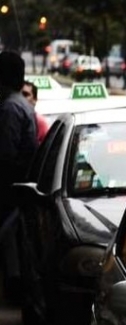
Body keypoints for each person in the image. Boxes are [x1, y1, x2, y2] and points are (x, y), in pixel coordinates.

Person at [0, 51, 37, 302]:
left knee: (7, 236)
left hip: (13, 187)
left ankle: (15, 285)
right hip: (18, 186)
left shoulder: (11, 108)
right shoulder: (17, 104)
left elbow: (6, 154)